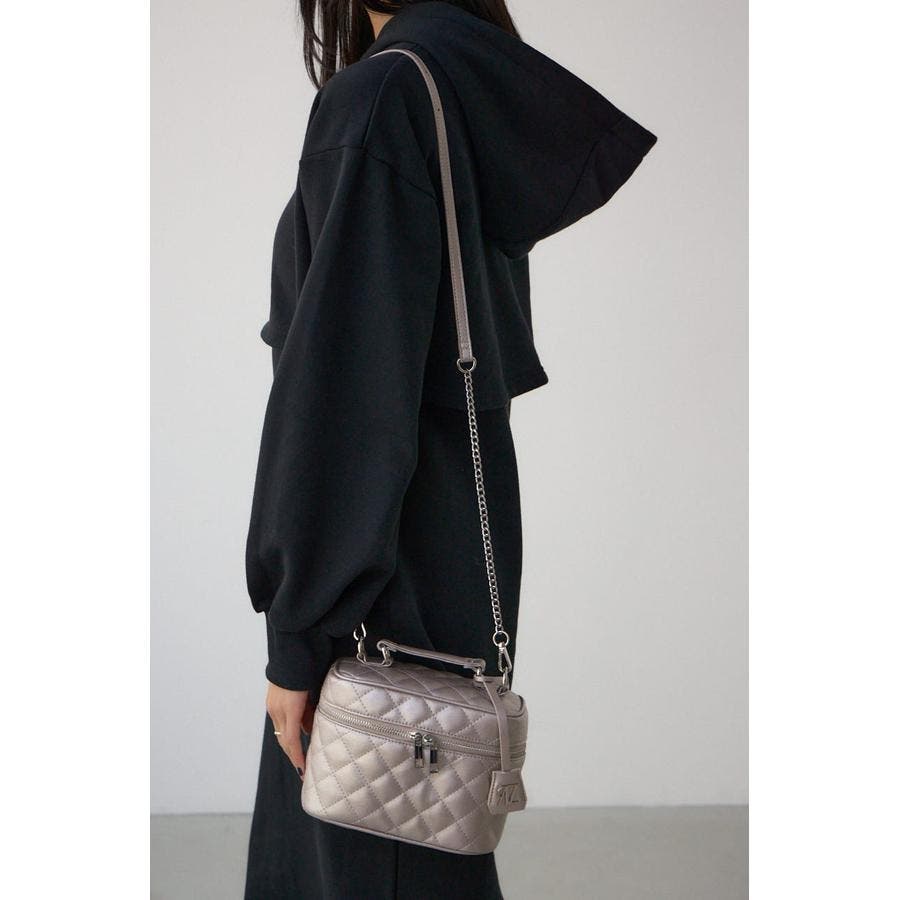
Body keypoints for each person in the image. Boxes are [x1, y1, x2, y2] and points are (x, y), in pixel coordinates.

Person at [243, 2, 656, 897]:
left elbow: (344, 395)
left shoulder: (383, 99)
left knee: (360, 866)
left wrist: (297, 630)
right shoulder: (462, 97)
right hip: (448, 550)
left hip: (368, 577)